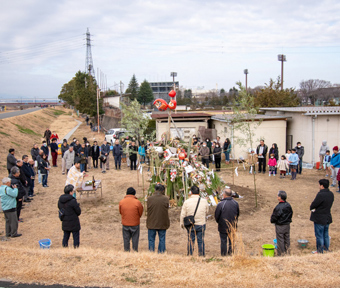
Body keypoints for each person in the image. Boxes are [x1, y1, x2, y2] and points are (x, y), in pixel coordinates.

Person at [180, 186, 209, 257]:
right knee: (200, 240)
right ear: (199, 193)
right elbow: (206, 211)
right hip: (201, 223)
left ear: (191, 192)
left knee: (190, 240)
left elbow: (183, 214)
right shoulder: (204, 201)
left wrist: (182, 224)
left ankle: (190, 254)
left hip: (190, 224)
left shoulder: (186, 202)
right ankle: (201, 255)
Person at [310, 179, 334, 254]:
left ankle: (320, 251)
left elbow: (314, 204)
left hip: (320, 217)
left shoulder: (320, 194)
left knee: (319, 235)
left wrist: (312, 208)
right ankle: (326, 249)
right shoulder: (331, 194)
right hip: (327, 216)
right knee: (326, 234)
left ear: (322, 186)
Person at [215, 187, 239, 256]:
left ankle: (223, 255)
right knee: (232, 240)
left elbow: (217, 215)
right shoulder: (235, 203)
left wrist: (220, 222)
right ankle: (231, 253)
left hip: (223, 225)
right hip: (232, 225)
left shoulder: (221, 204)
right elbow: (237, 214)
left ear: (224, 195)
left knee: (223, 241)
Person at [146, 184, 170, 253]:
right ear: (163, 190)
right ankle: (161, 252)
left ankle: (151, 252)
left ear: (155, 190)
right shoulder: (166, 199)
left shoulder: (150, 199)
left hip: (151, 222)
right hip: (162, 222)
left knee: (151, 239)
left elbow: (147, 209)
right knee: (162, 239)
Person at [119, 187, 143, 252]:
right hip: (135, 223)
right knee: (135, 238)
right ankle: (135, 251)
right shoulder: (137, 202)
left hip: (125, 223)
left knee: (126, 238)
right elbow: (140, 212)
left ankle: (126, 251)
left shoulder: (121, 202)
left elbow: (121, 212)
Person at [270, 191, 293, 256]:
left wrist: (272, 221)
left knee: (280, 240)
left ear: (280, 197)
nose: (277, 197)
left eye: (278, 196)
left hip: (280, 225)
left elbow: (275, 216)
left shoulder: (278, 207)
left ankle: (281, 254)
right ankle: (288, 252)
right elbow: (291, 213)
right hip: (287, 225)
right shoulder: (288, 205)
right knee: (287, 238)